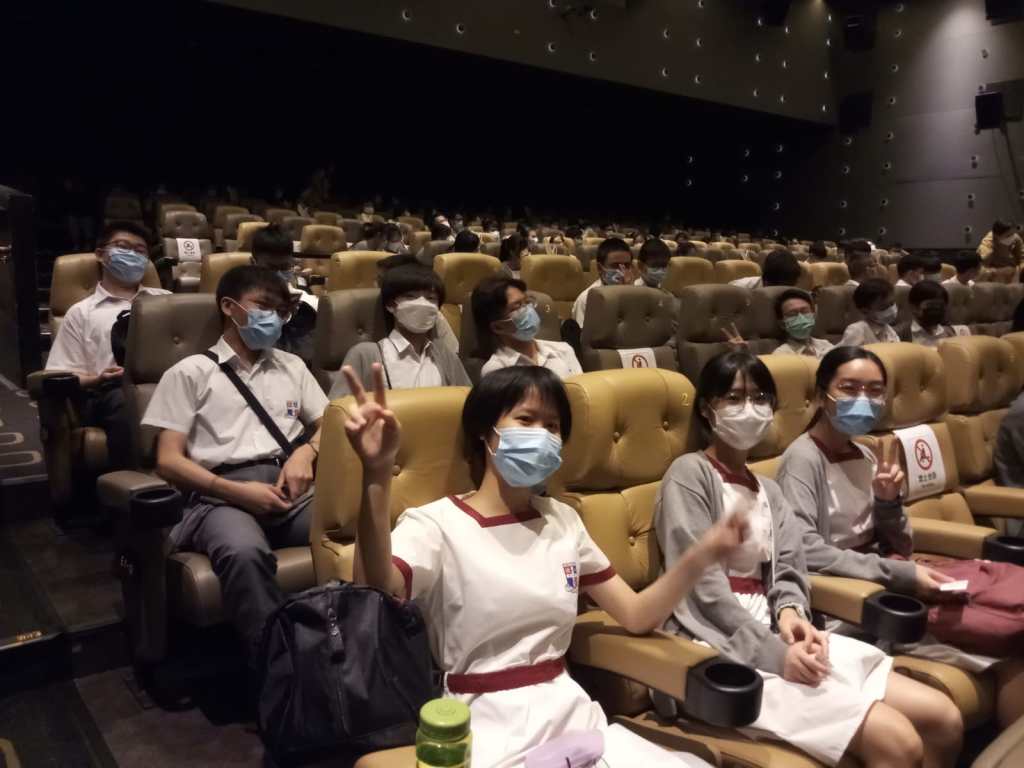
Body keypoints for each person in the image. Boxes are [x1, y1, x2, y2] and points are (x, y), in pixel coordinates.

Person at [342, 363, 744, 768]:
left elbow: (636, 615)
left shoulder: (562, 520)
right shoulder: (437, 523)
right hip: (487, 725)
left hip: (575, 718)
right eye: (526, 419)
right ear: (485, 431)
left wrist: (701, 555)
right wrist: (377, 473)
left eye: (552, 426)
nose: (542, 435)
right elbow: (374, 590)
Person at [654, 351, 963, 767]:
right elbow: (701, 589)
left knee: (942, 718)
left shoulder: (768, 489)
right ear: (708, 409)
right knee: (898, 743)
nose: (749, 409)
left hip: (777, 631)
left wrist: (792, 613)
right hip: (716, 643)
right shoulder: (689, 473)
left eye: (760, 398)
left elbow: (789, 568)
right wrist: (774, 653)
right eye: (734, 398)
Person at [775, 346, 1024, 729]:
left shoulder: (867, 453)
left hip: (892, 583)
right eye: (850, 388)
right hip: (853, 604)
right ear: (823, 394)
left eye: (875, 391)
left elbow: (901, 546)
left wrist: (888, 504)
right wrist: (899, 575)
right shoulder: (802, 459)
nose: (863, 400)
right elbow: (805, 550)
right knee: (1008, 649)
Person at [142, 265, 326, 660]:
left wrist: (306, 452)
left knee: (351, 523)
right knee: (244, 552)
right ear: (229, 307)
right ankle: (278, 667)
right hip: (221, 494)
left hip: (289, 485)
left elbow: (330, 423)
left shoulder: (292, 366)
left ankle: (344, 643)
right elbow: (168, 461)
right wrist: (237, 492)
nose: (273, 318)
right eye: (263, 307)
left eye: (281, 311)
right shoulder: (190, 372)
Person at [46, 220, 170, 468]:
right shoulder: (81, 312)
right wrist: (98, 378)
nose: (132, 255)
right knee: (126, 401)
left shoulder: (167, 301)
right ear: (101, 255)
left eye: (140, 251)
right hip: (110, 392)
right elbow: (60, 374)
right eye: (123, 247)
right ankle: (139, 481)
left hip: (167, 384)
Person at [329, 264, 470, 398]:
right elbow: (337, 410)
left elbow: (468, 402)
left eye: (431, 298)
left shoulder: (444, 353)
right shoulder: (365, 354)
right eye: (411, 296)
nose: (422, 303)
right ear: (391, 305)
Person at [472, 276, 582, 380]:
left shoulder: (563, 350)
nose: (528, 310)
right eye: (518, 307)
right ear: (498, 327)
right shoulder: (496, 370)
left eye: (527, 302)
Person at [250, 225, 317, 365]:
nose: (279, 276)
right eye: (271, 268)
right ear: (253, 263)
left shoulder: (309, 304)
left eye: (285, 267)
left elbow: (310, 356)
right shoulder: (240, 302)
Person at [572, 237, 635, 326]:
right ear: (600, 268)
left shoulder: (638, 295)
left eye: (626, 266)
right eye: (615, 266)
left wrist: (630, 294)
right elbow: (585, 334)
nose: (622, 272)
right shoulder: (587, 299)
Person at [896, 281, 970, 347]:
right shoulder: (900, 334)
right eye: (931, 305)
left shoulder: (950, 333)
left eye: (940, 306)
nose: (936, 309)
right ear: (914, 307)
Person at [772, 289, 834, 358]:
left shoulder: (826, 346)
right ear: (782, 324)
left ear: (813, 315)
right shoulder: (780, 355)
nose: (801, 318)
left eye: (805, 311)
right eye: (792, 314)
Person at [839, 278, 900, 346]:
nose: (890, 309)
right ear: (865, 311)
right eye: (883, 307)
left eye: (892, 303)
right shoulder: (857, 330)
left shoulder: (889, 330)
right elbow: (846, 353)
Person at [730, 249, 801, 290]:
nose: (786, 290)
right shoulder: (737, 288)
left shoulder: (793, 290)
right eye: (782, 286)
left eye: (790, 285)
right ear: (766, 282)